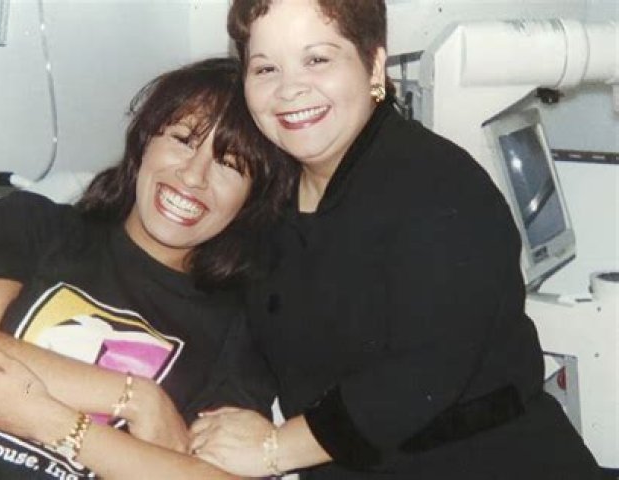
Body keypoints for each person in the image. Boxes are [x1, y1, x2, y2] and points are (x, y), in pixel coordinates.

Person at [184, 1, 606, 479]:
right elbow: (249, 330)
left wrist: (274, 448)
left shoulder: (440, 186)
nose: (289, 88)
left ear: (374, 66)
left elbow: (424, 373)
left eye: (317, 59)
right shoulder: (275, 194)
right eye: (266, 68)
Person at [0, 56, 295, 479]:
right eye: (183, 140)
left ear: (251, 198)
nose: (194, 176)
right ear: (144, 141)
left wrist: (54, 421)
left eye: (230, 164)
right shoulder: (39, 226)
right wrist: (137, 398)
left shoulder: (237, 327)